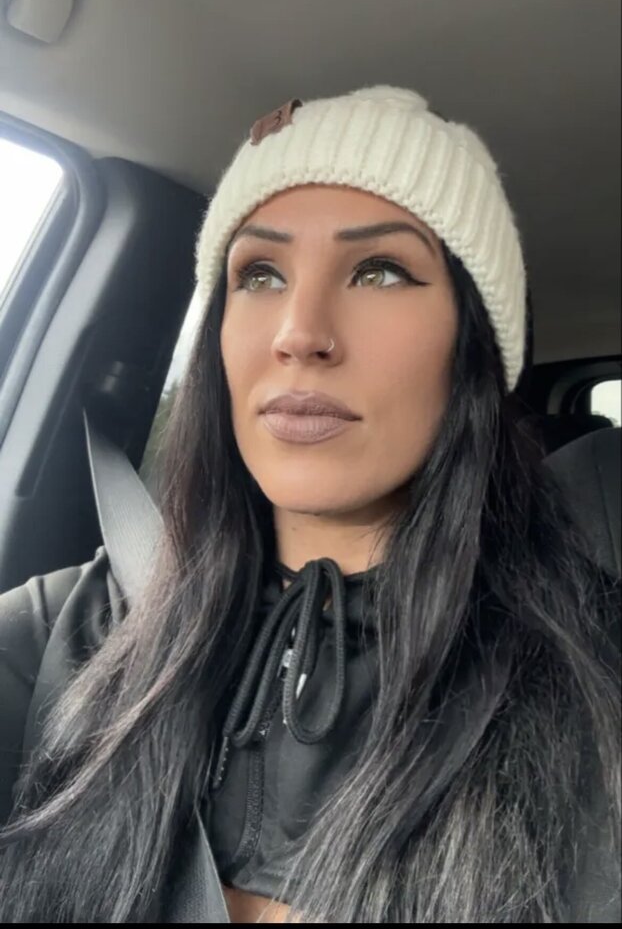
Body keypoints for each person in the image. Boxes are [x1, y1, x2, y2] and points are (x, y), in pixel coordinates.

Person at [0, 86, 619, 923]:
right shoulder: (72, 631)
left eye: (380, 270)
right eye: (259, 273)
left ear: (472, 347)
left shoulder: (591, 682)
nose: (299, 331)